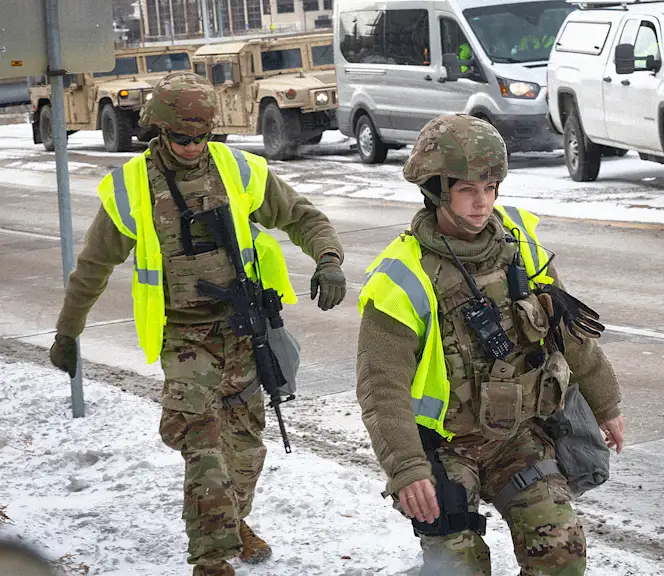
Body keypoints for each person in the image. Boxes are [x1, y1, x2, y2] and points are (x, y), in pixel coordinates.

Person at [46, 71, 348, 576]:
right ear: (158, 131)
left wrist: (329, 259)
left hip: (243, 330)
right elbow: (93, 267)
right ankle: (210, 561)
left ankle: (233, 521)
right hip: (184, 337)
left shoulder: (239, 170)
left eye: (200, 136)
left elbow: (302, 215)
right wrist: (67, 331)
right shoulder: (132, 188)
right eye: (179, 137)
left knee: (246, 450)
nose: (190, 146)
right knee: (204, 447)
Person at [355, 113, 625, 575]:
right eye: (467, 190)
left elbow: (568, 330)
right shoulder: (402, 275)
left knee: (561, 553)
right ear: (437, 190)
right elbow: (381, 388)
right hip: (443, 448)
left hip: (518, 438)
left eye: (491, 188)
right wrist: (406, 467)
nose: (482, 203)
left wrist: (607, 403)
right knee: (459, 567)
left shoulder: (521, 245)